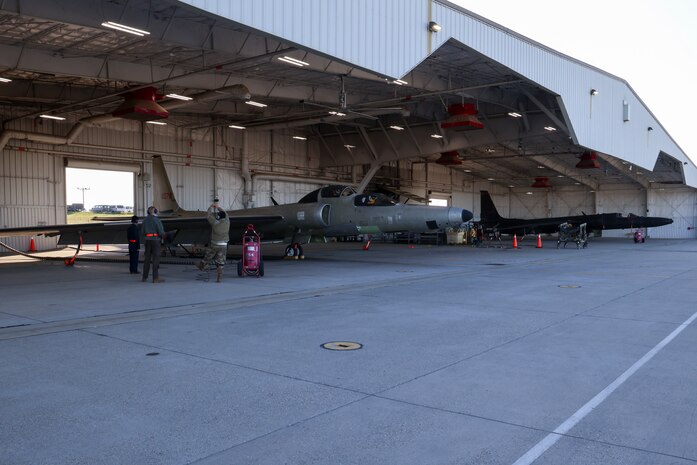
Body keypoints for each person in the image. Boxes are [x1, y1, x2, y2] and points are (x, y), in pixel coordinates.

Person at [196, 201, 230, 282]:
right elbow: (225, 213)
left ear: (218, 217)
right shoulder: (227, 222)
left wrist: (211, 207)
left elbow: (208, 215)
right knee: (221, 261)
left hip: (215, 244)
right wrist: (218, 207)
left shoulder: (215, 223)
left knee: (208, 256)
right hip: (224, 245)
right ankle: (219, 277)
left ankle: (201, 266)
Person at [141, 206, 165, 283]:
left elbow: (142, 232)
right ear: (155, 211)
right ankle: (155, 278)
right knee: (155, 259)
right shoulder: (157, 220)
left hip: (147, 241)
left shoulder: (145, 220)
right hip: (155, 241)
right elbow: (161, 232)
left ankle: (144, 277)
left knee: (147, 259)